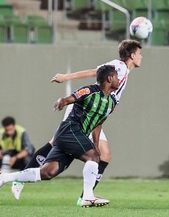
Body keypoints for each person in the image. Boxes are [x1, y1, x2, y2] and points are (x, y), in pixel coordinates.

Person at [10, 39, 143, 203]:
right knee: (56, 143)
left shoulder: (124, 74)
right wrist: (66, 77)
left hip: (95, 112)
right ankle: (20, 179)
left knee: (104, 155)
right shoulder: (119, 66)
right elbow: (95, 72)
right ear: (131, 55)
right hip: (84, 110)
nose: (141, 57)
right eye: (139, 53)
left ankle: (86, 195)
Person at [0, 65, 119, 208]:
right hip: (70, 130)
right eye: (117, 76)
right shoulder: (89, 91)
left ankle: (4, 177)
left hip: (76, 136)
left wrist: (96, 145)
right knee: (93, 157)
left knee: (48, 172)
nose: (119, 79)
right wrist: (61, 102)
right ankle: (87, 197)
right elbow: (69, 98)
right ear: (110, 78)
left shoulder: (111, 103)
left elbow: (98, 125)